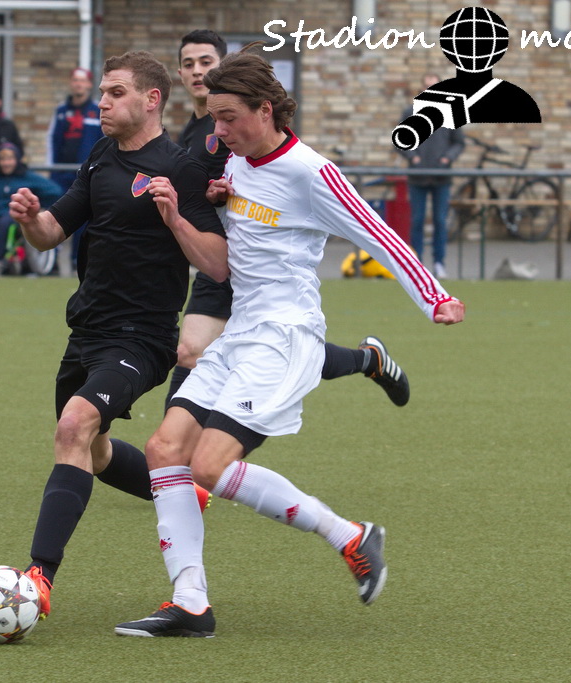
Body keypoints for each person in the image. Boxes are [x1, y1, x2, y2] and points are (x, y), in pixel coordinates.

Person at [115, 46, 465, 638]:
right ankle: (190, 603)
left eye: (229, 118)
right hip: (240, 332)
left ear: (266, 110)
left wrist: (434, 297)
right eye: (214, 119)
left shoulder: (311, 172)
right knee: (163, 448)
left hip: (285, 337)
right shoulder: (237, 162)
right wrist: (219, 199)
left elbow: (377, 233)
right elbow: (243, 223)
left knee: (208, 466)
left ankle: (350, 535)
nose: (219, 132)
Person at [8, 50, 228, 623]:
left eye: (115, 93)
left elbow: (217, 262)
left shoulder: (181, 169)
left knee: (73, 426)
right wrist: (30, 218)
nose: (101, 103)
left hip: (142, 338)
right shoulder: (101, 156)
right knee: (95, 450)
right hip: (87, 329)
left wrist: (175, 217)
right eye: (102, 92)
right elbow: (51, 231)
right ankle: (179, 490)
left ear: (151, 100)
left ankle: (38, 577)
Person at [166, 29, 411, 412]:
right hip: (221, 259)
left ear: (223, 68)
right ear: (179, 73)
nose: (197, 70)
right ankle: (367, 360)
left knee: (198, 350)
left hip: (259, 262)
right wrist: (216, 196)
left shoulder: (252, 130)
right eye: (188, 63)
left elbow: (271, 174)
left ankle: (187, 441)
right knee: (232, 352)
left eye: (206, 62)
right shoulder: (195, 130)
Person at [396, 74, 466, 280]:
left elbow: (458, 143)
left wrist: (447, 158)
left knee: (440, 221)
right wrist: (413, 156)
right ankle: (416, 265)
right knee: (417, 220)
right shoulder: (410, 112)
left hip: (441, 177)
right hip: (417, 177)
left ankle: (439, 263)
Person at [0, 142, 61, 275]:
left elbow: (54, 191)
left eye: (9, 159)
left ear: (17, 160)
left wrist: (34, 206)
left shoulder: (28, 177)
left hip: (12, 213)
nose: (6, 163)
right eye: (2, 159)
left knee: (4, 224)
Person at [47, 67, 104, 275]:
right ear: (71, 83)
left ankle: (77, 263)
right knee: (55, 218)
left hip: (86, 176)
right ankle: (51, 264)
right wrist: (51, 170)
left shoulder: (98, 111)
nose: (78, 84)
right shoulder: (61, 111)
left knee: (83, 221)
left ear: (89, 84)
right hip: (60, 176)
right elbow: (51, 141)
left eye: (82, 80)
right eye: (75, 80)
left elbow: (104, 142)